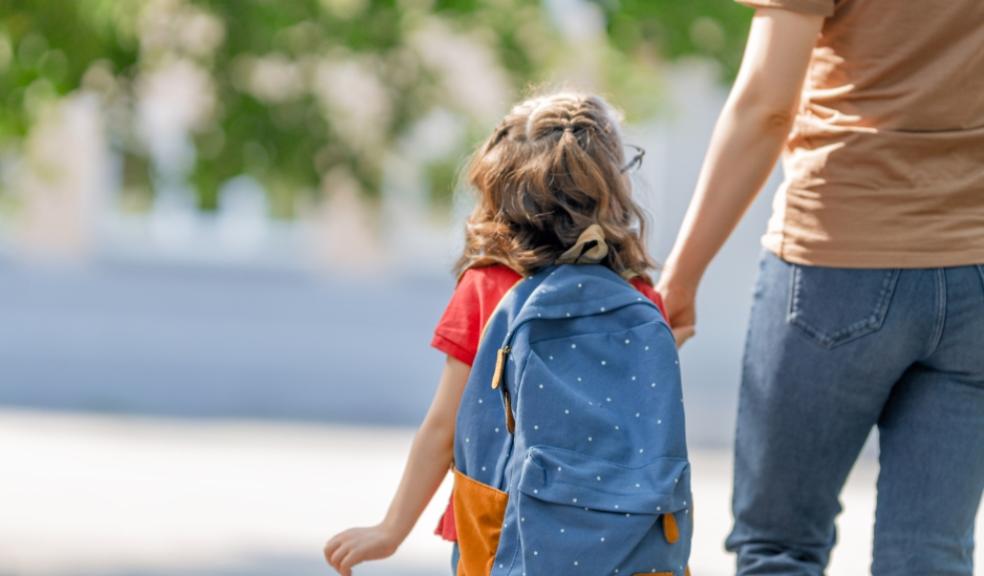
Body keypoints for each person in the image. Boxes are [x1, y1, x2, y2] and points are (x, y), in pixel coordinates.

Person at [657, 2, 984, 575]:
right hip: (973, 268)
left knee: (780, 548)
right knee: (930, 555)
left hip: (834, 255)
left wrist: (681, 277)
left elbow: (766, 106)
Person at [324, 91, 672, 576]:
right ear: (610, 189)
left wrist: (390, 530)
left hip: (495, 529)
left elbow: (444, 426)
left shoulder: (487, 287)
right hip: (618, 537)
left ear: (499, 188)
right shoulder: (639, 298)